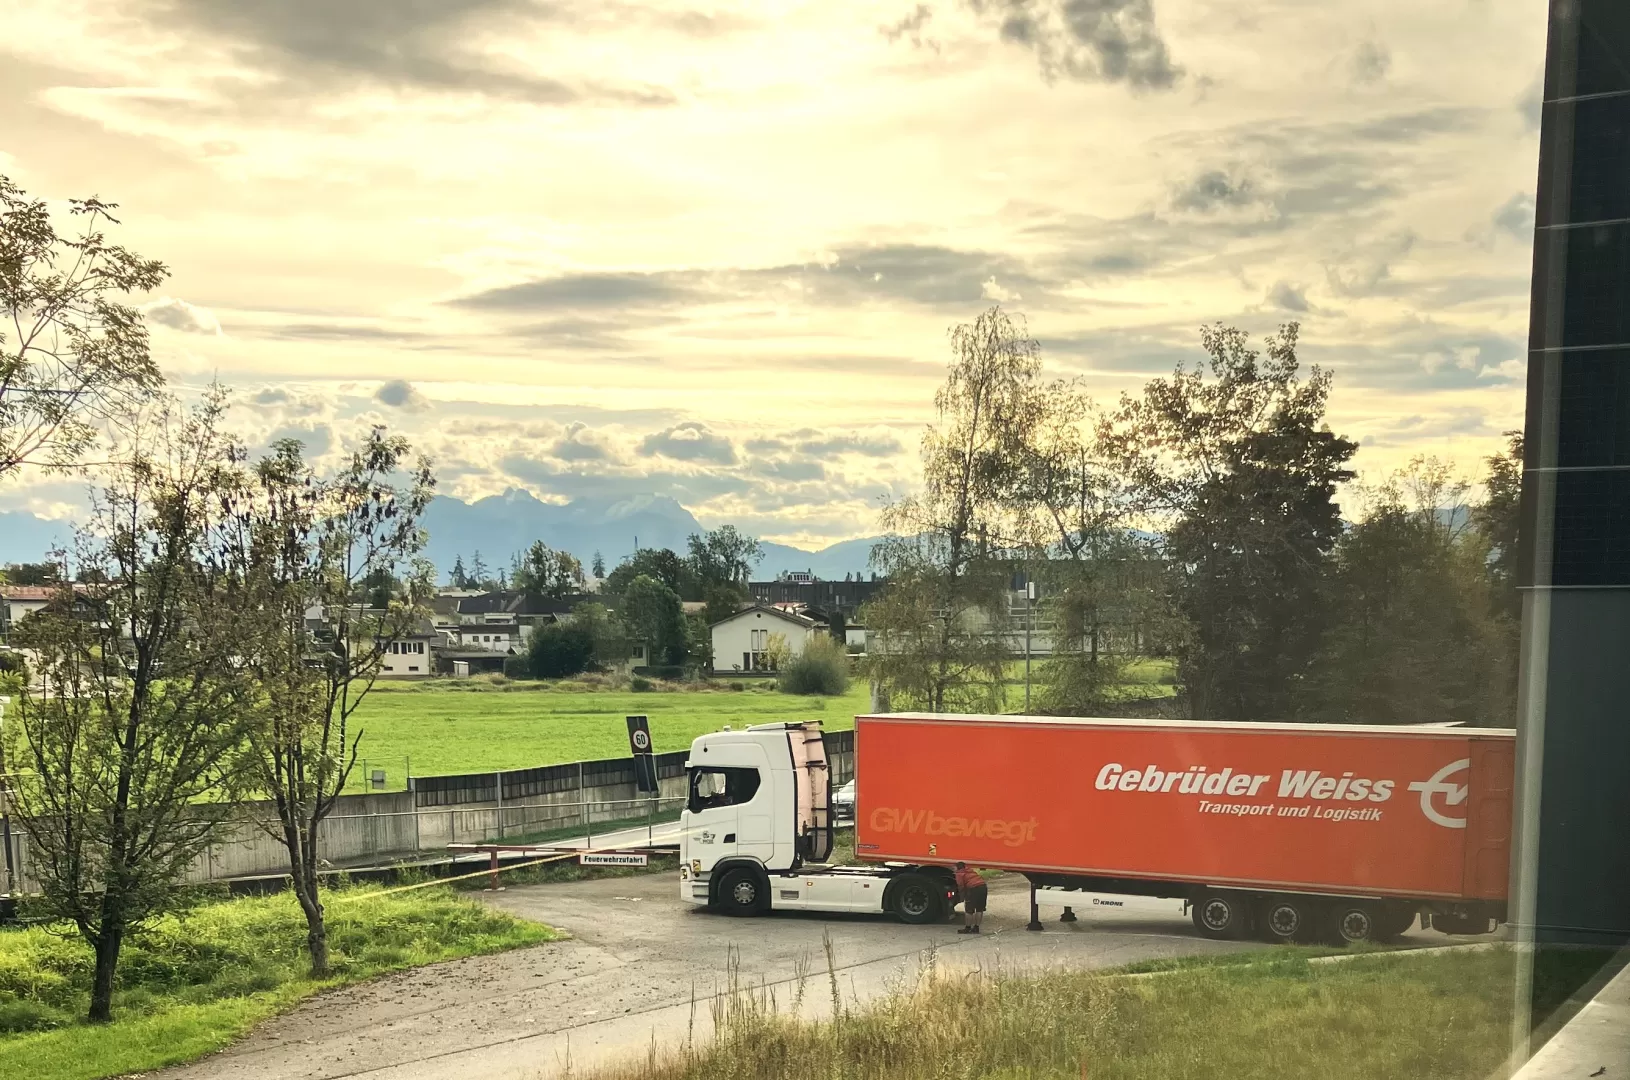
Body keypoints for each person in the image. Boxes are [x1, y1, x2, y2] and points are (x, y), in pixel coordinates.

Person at [954, 861, 987, 934]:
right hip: (983, 886)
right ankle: (976, 928)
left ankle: (967, 928)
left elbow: (961, 886)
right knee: (979, 908)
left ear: (957, 867)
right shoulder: (970, 870)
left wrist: (962, 896)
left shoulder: (959, 873)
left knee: (969, 909)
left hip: (973, 888)